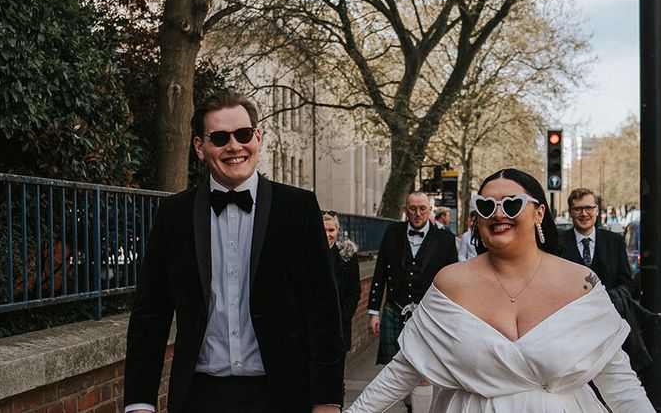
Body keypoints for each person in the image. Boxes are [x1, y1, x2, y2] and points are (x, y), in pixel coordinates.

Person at [347, 169, 655, 412]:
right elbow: (403, 370)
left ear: (538, 213)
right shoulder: (450, 283)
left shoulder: (581, 283)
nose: (498, 213)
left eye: (511, 204)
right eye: (485, 206)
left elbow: (619, 382)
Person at [124, 91, 344, 413]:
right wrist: (139, 402)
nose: (234, 146)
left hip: (282, 396)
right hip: (198, 397)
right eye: (220, 137)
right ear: (200, 147)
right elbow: (151, 313)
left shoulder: (298, 209)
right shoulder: (174, 214)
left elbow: (323, 310)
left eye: (243, 134)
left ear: (257, 138)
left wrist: (326, 400)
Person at [367, 191, 457, 412]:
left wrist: (451, 317)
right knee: (397, 369)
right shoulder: (392, 232)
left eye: (422, 209)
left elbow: (454, 279)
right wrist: (373, 311)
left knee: (423, 371)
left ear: (430, 210)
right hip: (394, 308)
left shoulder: (444, 238)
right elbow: (380, 272)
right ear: (405, 210)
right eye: (413, 208)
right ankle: (410, 408)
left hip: (428, 315)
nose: (418, 214)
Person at [561, 188, 653, 374]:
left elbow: (627, 283)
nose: (584, 213)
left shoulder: (615, 241)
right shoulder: (558, 243)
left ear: (596, 210)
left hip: (609, 326)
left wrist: (610, 298)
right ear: (570, 212)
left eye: (588, 208)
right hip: (571, 329)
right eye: (578, 209)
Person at [323, 210, 361, 352]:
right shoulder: (307, 256)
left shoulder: (348, 257)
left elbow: (354, 290)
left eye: (331, 230)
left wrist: (343, 316)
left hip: (339, 327)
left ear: (338, 230)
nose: (327, 235)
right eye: (323, 230)